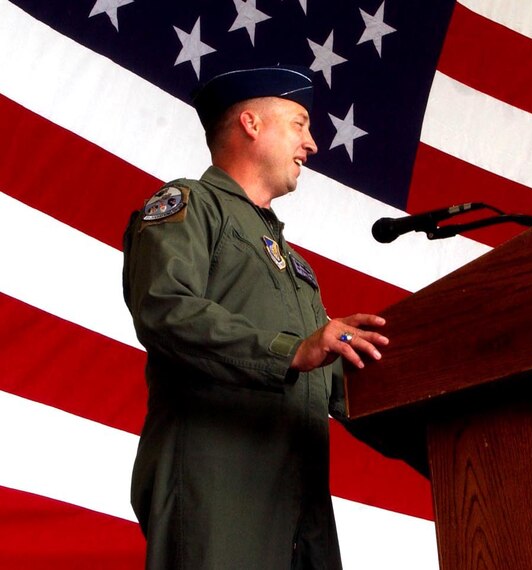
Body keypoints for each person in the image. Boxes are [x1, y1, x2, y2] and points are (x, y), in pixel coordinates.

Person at [122, 65, 388, 569]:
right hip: (220, 489)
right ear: (251, 123)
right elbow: (165, 309)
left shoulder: (291, 262)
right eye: (300, 123)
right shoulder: (190, 205)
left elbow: (334, 382)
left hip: (300, 499)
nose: (311, 144)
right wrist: (293, 349)